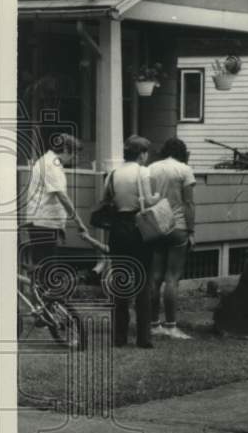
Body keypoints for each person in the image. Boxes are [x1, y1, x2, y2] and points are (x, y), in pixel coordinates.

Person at [103, 135, 159, 348]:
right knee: (143, 281)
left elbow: (106, 199)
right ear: (142, 154)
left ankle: (119, 337)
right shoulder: (143, 172)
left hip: (118, 227)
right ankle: (143, 337)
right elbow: (147, 202)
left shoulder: (113, 173)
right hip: (138, 226)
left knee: (121, 282)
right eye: (147, 153)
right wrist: (158, 198)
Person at [21, 134, 90, 282]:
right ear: (65, 149)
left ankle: (39, 301)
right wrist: (80, 223)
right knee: (45, 269)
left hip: (43, 223)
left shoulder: (49, 162)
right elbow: (62, 196)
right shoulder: (51, 164)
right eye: (74, 152)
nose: (74, 157)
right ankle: (42, 302)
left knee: (43, 267)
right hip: (44, 224)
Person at [148, 137, 196, 339]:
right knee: (172, 278)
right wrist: (191, 230)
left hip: (156, 224)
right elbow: (189, 204)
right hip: (177, 226)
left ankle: (152, 324)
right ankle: (170, 326)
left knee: (154, 277)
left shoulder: (151, 168)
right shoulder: (184, 170)